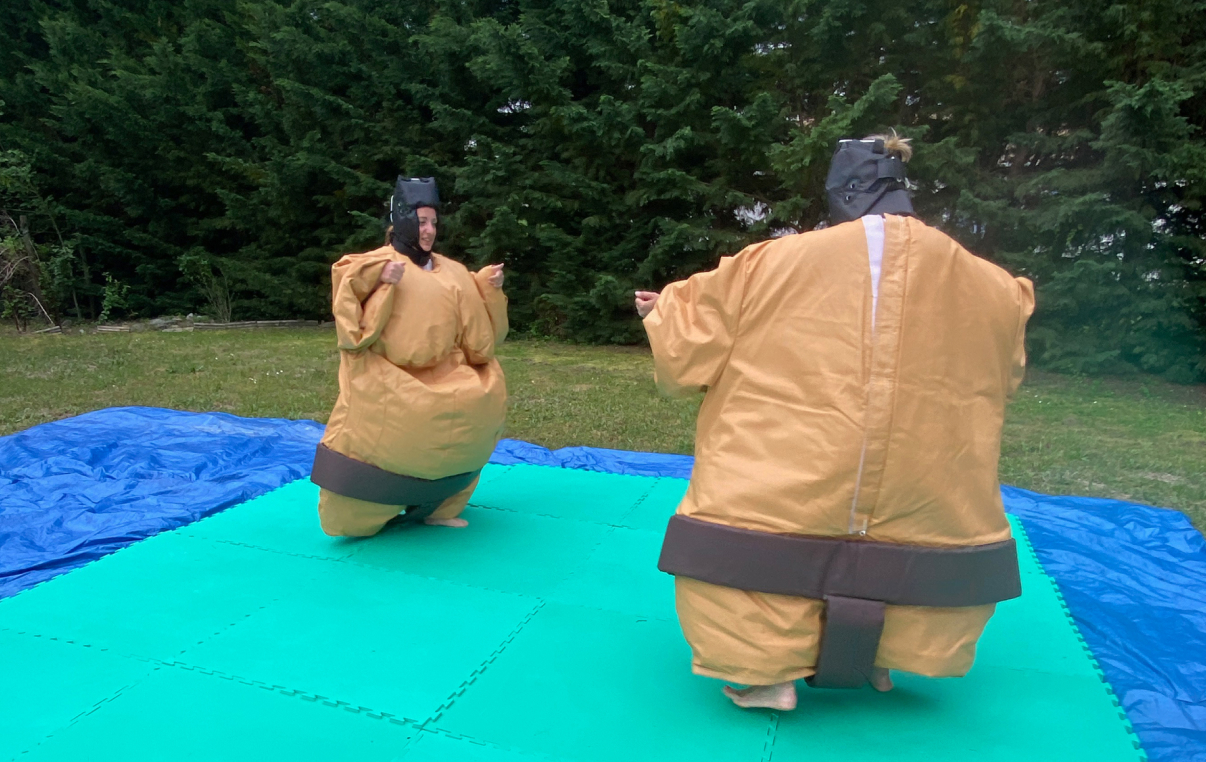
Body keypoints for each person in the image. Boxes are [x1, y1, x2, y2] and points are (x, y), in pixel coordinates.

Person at [637, 134, 1035, 711]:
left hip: (789, 461)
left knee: (764, 537)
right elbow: (1006, 377)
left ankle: (763, 673)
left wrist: (662, 313)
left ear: (842, 192)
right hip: (930, 471)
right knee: (919, 534)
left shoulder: (768, 263)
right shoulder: (995, 287)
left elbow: (687, 358)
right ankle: (882, 656)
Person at [312, 176, 508, 536]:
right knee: (384, 436)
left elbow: (481, 344)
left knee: (480, 403)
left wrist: (486, 289)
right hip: (391, 376)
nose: (429, 230)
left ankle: (441, 505)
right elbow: (351, 327)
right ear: (400, 220)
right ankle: (360, 516)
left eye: (434, 222)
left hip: (450, 374)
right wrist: (382, 279)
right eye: (421, 222)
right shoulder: (373, 263)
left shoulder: (452, 271)